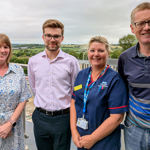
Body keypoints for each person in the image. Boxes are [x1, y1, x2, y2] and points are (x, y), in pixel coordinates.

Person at [28, 19, 80, 150]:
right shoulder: (33, 61)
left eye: (56, 36)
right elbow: (34, 88)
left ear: (62, 38)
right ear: (43, 37)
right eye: (48, 35)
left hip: (63, 119)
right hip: (40, 118)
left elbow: (76, 89)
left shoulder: (71, 62)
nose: (52, 39)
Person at [70, 36, 128, 150]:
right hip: (81, 139)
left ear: (108, 53)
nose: (96, 54)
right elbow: (73, 102)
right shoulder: (81, 75)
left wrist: (92, 138)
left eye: (101, 50)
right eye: (92, 50)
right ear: (88, 52)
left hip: (104, 142)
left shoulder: (114, 79)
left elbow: (117, 117)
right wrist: (74, 131)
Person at [118, 2, 150, 150]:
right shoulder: (125, 58)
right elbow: (122, 89)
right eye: (141, 23)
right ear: (132, 28)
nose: (147, 27)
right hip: (134, 129)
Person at [0, 33, 32, 150]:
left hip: (14, 126)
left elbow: (23, 99)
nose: (2, 50)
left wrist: (9, 124)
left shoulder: (17, 70)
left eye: (5, 47)